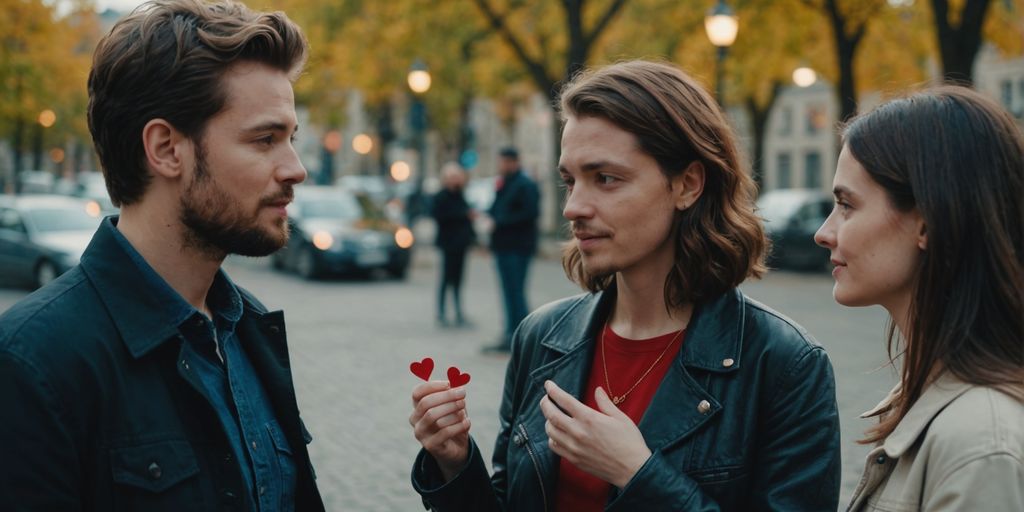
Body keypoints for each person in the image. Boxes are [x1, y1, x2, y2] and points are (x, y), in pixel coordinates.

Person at [408, 60, 841, 511]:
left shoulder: (784, 364)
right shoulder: (541, 337)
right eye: (570, 181)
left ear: (687, 184)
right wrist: (455, 466)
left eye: (606, 179)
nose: (574, 207)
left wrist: (639, 474)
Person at [0, 1, 325, 510]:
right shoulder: (32, 363)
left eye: (291, 139)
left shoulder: (246, 325)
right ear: (167, 149)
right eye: (265, 139)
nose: (296, 169)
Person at [814, 86, 1024, 511]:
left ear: (926, 223)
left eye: (847, 205)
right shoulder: (936, 404)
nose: (824, 233)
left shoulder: (980, 443)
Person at [483, 146, 540, 353]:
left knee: (516, 293)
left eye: (504, 162)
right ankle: (511, 334)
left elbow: (530, 213)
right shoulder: (504, 183)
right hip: (503, 246)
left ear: (513, 162)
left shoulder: (525, 185)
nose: (501, 166)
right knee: (509, 293)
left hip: (518, 247)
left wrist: (499, 221)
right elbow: (496, 207)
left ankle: (522, 337)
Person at [433, 162, 476, 327]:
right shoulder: (441, 196)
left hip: (461, 243)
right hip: (448, 243)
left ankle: (458, 311)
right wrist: (463, 215)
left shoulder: (461, 195)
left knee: (458, 279)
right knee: (446, 278)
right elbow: (440, 216)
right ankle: (442, 311)